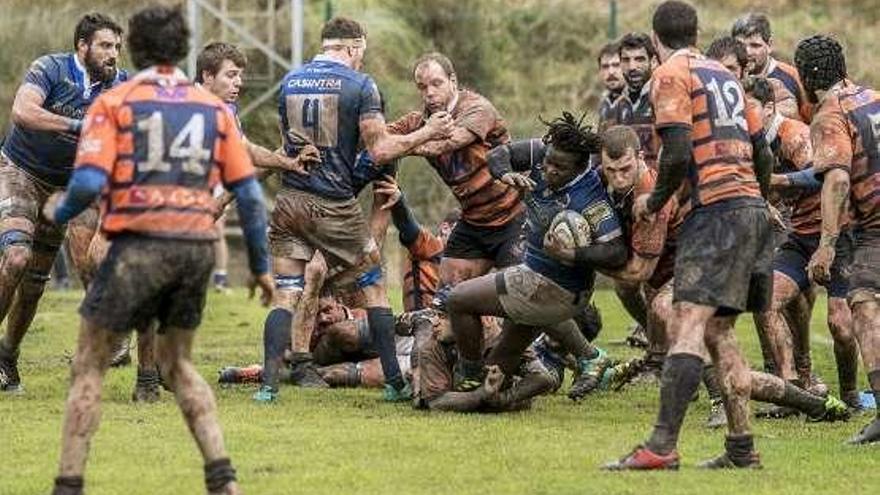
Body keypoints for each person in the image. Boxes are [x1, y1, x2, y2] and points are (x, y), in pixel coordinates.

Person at [47, 6, 272, 495]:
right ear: (181, 49)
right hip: (193, 248)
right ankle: (224, 481)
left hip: (137, 245)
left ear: (138, 49)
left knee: (89, 364)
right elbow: (250, 195)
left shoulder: (115, 101)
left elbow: (86, 182)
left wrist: (59, 213)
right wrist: (260, 266)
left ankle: (68, 485)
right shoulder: (214, 109)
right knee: (179, 365)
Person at [606, 0, 777, 470]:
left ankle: (661, 446)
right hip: (749, 210)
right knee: (719, 331)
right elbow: (762, 152)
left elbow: (678, 149)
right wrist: (758, 202)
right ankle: (741, 449)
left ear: (656, 39)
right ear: (697, 32)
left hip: (717, 212)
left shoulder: (671, 74)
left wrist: (654, 200)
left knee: (687, 322)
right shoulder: (726, 77)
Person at [261, 17, 453, 400]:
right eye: (361, 52)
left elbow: (289, 148)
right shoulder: (360, 85)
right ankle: (396, 385)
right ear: (352, 47)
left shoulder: (290, 82)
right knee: (375, 286)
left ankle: (268, 386)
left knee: (286, 292)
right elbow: (380, 149)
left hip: (289, 201)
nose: (362, 60)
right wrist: (428, 133)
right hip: (332, 205)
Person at [448, 111, 627, 396]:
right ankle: (552, 375)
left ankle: (467, 371)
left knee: (457, 299)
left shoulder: (590, 198)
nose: (549, 170)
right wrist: (504, 173)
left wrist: (570, 254)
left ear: (580, 168)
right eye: (548, 163)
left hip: (555, 288)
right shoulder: (541, 154)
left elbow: (617, 252)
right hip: (535, 278)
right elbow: (498, 154)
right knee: (493, 381)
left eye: (560, 168)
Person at [0, 13, 126, 393]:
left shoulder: (120, 85)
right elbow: (23, 111)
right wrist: (77, 125)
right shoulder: (51, 68)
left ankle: (8, 357)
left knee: (36, 284)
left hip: (67, 187)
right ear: (82, 46)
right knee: (16, 258)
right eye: (105, 46)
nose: (113, 55)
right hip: (19, 171)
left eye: (117, 47)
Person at [749, 77, 860, 409]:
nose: (743, 115)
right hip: (800, 236)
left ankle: (851, 394)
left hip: (838, 234)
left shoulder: (794, 135)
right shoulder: (751, 139)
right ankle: (791, 390)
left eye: (749, 108)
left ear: (768, 109)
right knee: (765, 301)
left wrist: (779, 181)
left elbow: (824, 174)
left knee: (840, 326)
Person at [797, 34, 880, 444]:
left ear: (805, 76)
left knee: (864, 308)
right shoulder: (874, 97)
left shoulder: (829, 113)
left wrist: (827, 243)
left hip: (873, 227)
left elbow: (838, 179)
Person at [387, 52, 523, 288]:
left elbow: (450, 142)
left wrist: (404, 146)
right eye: (422, 87)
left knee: (520, 303)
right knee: (448, 300)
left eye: (436, 83)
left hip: (514, 216)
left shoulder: (477, 108)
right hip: (473, 221)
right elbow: (379, 138)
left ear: (453, 81)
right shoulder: (419, 123)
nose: (429, 93)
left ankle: (578, 322)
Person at [731, 12, 811, 122]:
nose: (747, 52)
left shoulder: (792, 76)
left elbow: (810, 119)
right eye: (740, 45)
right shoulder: (725, 74)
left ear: (769, 45)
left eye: (755, 46)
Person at [596, 41, 625, 129]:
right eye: (605, 67)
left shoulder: (639, 99)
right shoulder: (604, 102)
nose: (611, 72)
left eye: (616, 65)